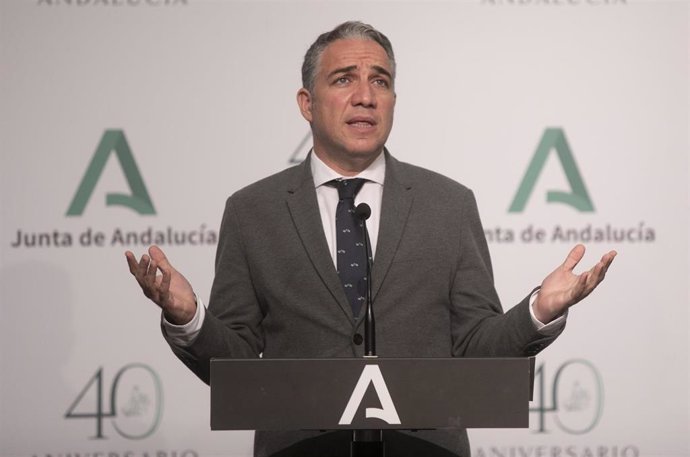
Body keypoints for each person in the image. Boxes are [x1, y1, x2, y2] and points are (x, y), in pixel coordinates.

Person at [126, 21, 616, 457]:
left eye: (380, 81)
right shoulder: (253, 211)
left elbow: (474, 349)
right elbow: (230, 368)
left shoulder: (448, 204)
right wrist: (188, 319)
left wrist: (538, 311)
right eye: (344, 79)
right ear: (307, 103)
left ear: (394, 102)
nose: (366, 95)